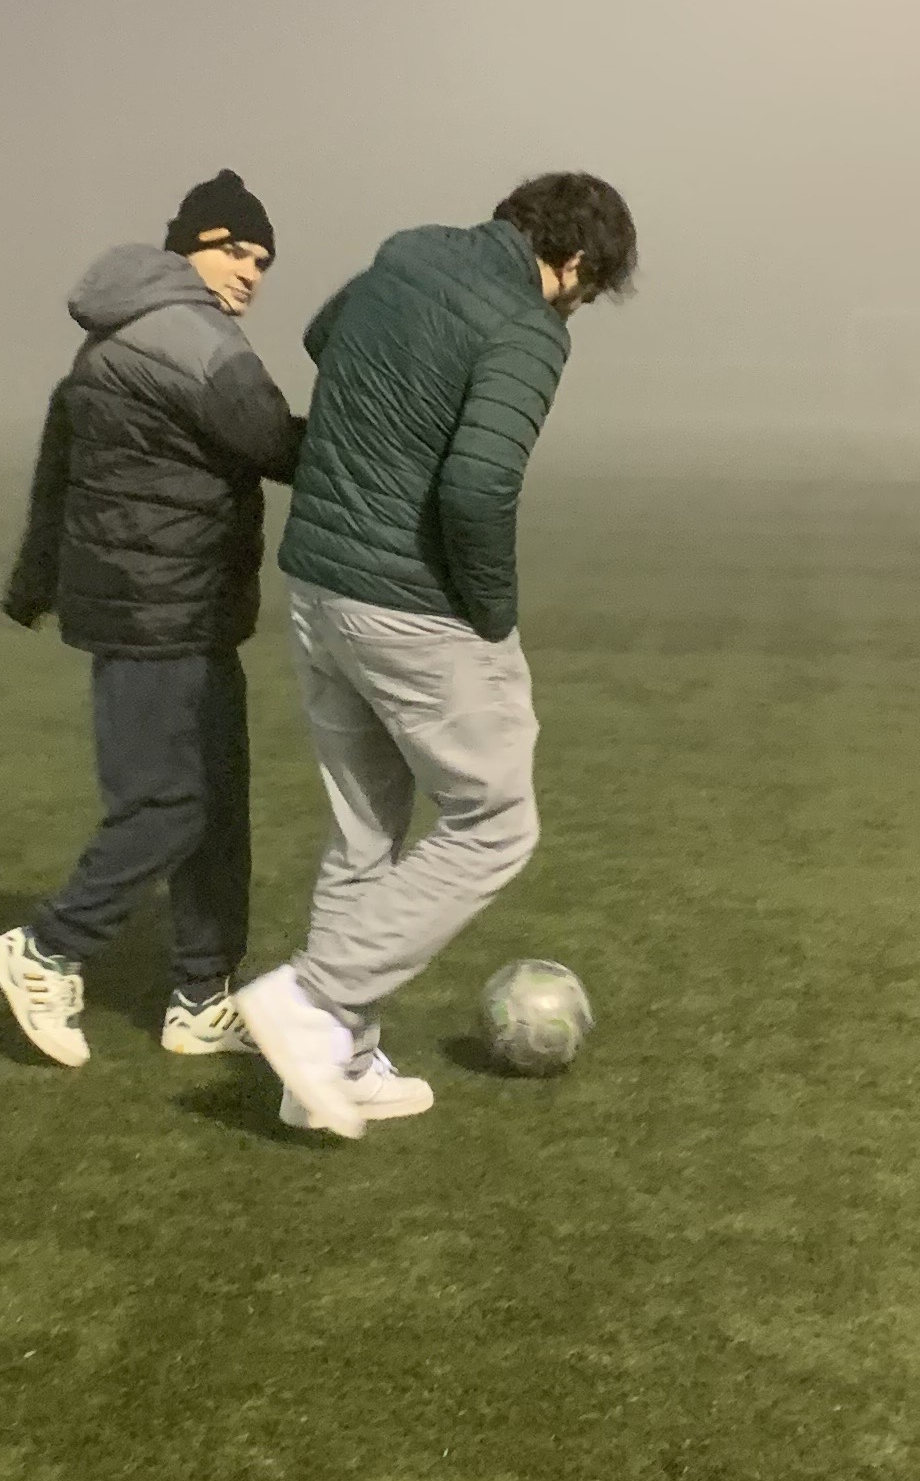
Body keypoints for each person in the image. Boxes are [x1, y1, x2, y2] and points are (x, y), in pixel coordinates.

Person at [237, 169, 638, 1138]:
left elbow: (322, 338)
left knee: (367, 827)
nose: (577, 309)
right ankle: (312, 999)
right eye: (586, 293)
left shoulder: (408, 250)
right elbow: (477, 488)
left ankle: (337, 1064)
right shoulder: (528, 329)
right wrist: (491, 612)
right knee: (496, 821)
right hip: (407, 606)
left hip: (318, 586)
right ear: (573, 263)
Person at [0, 171, 301, 1068]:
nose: (252, 272)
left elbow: (61, 464)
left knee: (215, 810)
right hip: (156, 611)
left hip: (181, 607)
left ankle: (201, 998)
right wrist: (389, 455)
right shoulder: (185, 336)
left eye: (264, 259)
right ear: (189, 247)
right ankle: (48, 949)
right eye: (236, 250)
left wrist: (33, 579)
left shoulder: (124, 336)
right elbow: (275, 441)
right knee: (169, 805)